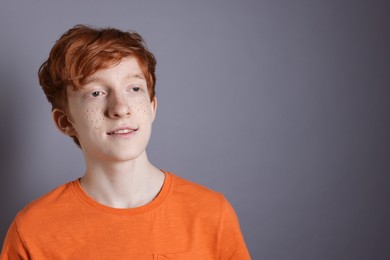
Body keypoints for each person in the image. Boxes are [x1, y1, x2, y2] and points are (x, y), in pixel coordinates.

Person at [1, 25, 250, 259]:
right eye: (96, 93)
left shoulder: (211, 213)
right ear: (65, 122)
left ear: (152, 107)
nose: (120, 108)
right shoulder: (32, 230)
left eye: (134, 88)